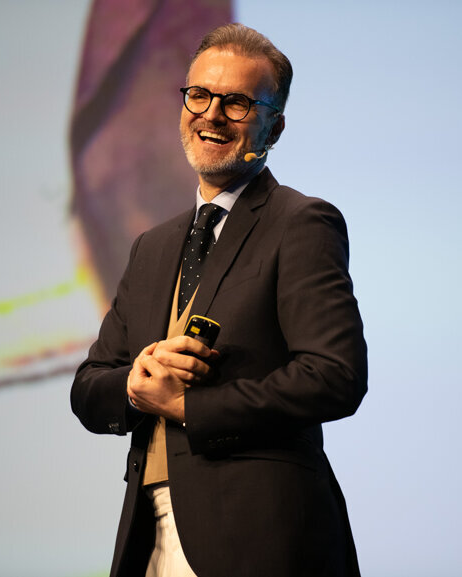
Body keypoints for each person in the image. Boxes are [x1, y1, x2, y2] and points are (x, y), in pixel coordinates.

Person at [71, 23, 368, 577]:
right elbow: (89, 387)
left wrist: (190, 407)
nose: (211, 114)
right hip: (149, 538)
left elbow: (335, 375)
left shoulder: (302, 223)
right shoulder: (152, 246)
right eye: (199, 95)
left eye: (236, 102)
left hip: (263, 537)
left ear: (274, 126)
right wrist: (136, 383)